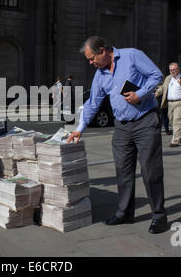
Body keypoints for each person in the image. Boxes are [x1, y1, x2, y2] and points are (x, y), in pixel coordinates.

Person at [67, 36, 168, 234]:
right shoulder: (100, 74)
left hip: (145, 120)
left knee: (150, 171)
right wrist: (80, 128)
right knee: (123, 171)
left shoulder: (132, 56)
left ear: (103, 51)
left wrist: (140, 93)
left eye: (92, 58)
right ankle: (125, 213)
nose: (90, 63)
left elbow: (156, 75)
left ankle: (159, 216)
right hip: (121, 127)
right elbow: (93, 102)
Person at [155, 62, 181, 147]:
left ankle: (175, 141)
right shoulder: (168, 78)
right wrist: (155, 94)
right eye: (170, 70)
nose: (172, 72)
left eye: (174, 70)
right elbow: (162, 88)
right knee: (172, 122)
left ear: (178, 69)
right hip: (170, 103)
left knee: (177, 121)